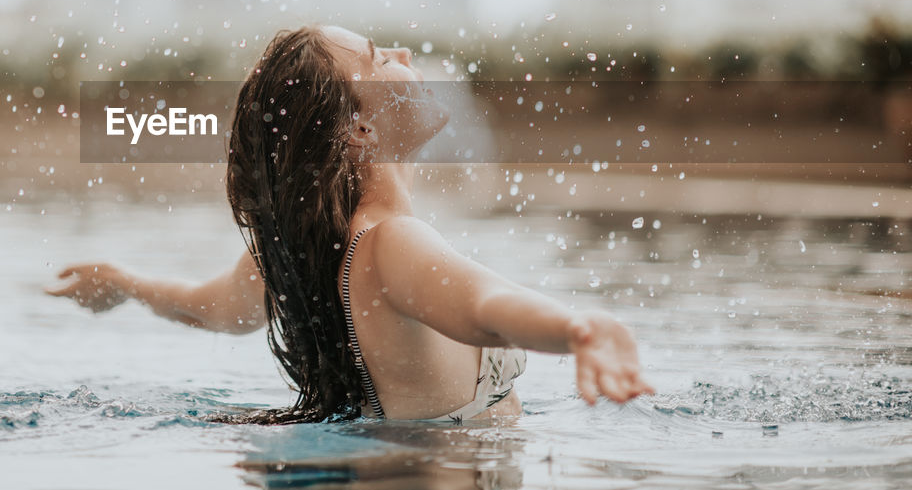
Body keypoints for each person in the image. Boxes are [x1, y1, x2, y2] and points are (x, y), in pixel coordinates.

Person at [47, 25, 654, 424]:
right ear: (358, 131)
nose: (407, 55)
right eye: (379, 58)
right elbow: (489, 307)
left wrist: (125, 284)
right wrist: (581, 327)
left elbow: (213, 308)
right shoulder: (392, 242)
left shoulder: (313, 241)